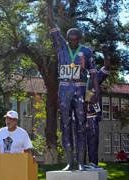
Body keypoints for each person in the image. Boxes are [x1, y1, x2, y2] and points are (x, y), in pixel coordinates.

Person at [47, 0, 99, 171]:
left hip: (80, 89)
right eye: (71, 40)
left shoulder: (87, 51)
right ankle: (69, 161)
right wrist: (49, 5)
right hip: (64, 90)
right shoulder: (61, 46)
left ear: (80, 39)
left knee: (81, 124)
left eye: (76, 40)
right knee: (66, 123)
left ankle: (81, 162)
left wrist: (95, 91)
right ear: (67, 39)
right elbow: (51, 23)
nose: (73, 42)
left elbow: (93, 72)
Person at [84, 44, 110, 169]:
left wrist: (105, 55)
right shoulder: (73, 81)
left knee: (93, 140)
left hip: (92, 116)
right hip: (79, 117)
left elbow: (106, 69)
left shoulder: (93, 79)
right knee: (81, 142)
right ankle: (81, 163)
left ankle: (93, 162)